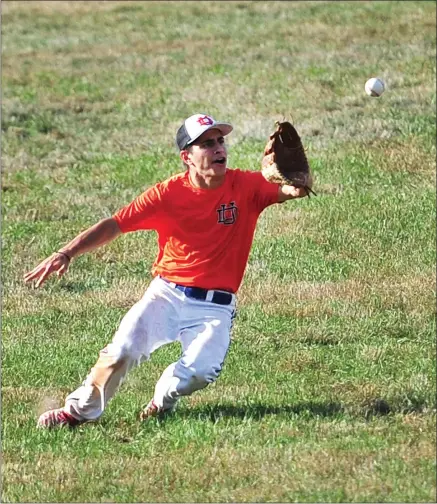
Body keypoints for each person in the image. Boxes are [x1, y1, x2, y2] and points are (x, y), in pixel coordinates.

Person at [24, 113, 309, 429]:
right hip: (166, 294)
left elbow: (290, 191)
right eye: (206, 143)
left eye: (220, 141)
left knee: (200, 372)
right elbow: (115, 225)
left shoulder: (246, 185)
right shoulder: (167, 194)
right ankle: (76, 412)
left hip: (214, 307)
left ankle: (162, 400)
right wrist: (66, 252)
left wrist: (298, 182)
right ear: (187, 157)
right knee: (120, 352)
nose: (218, 149)